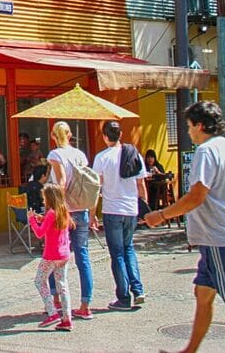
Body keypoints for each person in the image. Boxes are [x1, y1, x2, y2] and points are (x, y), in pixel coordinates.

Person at [143, 101, 225, 353]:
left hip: (218, 238)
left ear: (200, 125)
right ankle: (189, 351)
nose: (188, 131)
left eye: (189, 126)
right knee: (203, 294)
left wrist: (161, 215)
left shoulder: (206, 151)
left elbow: (197, 194)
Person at [92, 120, 147, 310]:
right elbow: (141, 185)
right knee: (128, 248)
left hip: (112, 210)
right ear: (120, 135)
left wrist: (93, 214)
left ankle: (123, 298)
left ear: (105, 137)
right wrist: (143, 208)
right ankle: (138, 290)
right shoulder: (133, 154)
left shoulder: (101, 158)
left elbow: (96, 187)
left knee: (117, 254)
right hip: (131, 209)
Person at [46, 120, 95, 320]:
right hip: (82, 209)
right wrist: (92, 212)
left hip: (63, 211)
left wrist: (58, 208)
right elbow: (89, 183)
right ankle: (85, 304)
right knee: (83, 257)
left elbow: (62, 181)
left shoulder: (55, 155)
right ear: (69, 135)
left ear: (53, 136)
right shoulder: (80, 155)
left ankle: (56, 300)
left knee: (53, 255)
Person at [29, 183, 74, 331]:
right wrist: (41, 219)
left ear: (48, 198)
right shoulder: (63, 211)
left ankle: (52, 312)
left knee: (39, 281)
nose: (43, 200)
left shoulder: (51, 213)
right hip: (64, 254)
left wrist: (32, 220)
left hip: (51, 255)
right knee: (63, 285)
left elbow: (40, 233)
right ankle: (67, 319)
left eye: (44, 198)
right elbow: (53, 226)